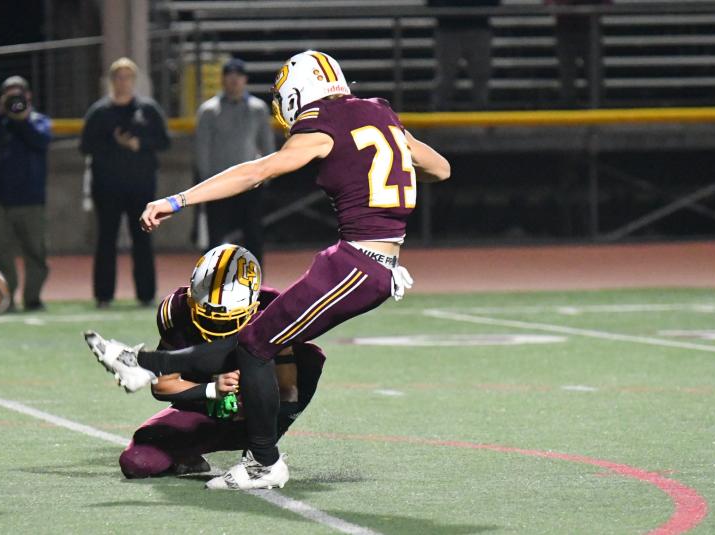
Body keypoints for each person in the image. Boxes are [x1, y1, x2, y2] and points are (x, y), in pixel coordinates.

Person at [87, 50, 451, 490]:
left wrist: (177, 200)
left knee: (257, 345)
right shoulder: (378, 113)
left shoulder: (326, 122)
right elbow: (439, 168)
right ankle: (140, 363)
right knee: (254, 339)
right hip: (361, 257)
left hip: (360, 261)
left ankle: (264, 462)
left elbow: (258, 171)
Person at [90, 244, 325, 480]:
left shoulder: (271, 308)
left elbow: (288, 391)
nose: (216, 327)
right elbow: (162, 385)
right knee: (136, 461)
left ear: (253, 307)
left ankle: (260, 453)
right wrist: (212, 389)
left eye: (227, 320)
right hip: (203, 408)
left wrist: (252, 390)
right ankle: (190, 452)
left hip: (254, 415)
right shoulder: (177, 310)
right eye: (208, 318)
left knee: (308, 358)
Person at [80, 58, 171, 309]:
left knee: (142, 239)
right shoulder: (100, 112)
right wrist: (114, 144)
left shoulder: (148, 110)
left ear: (134, 80)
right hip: (107, 187)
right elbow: (85, 145)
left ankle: (146, 294)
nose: (123, 82)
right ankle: (103, 295)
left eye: (128, 77)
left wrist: (138, 144)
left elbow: (164, 141)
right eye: (118, 77)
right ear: (111, 81)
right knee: (106, 240)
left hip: (141, 187)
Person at [0, 75, 52, 312]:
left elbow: (40, 141)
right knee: (1, 252)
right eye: (9, 95)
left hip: (32, 200)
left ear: (28, 95)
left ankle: (33, 298)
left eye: (18, 94)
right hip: (1, 200)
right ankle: (6, 298)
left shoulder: (38, 121)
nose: (15, 100)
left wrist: (22, 120)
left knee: (36, 252)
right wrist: (2, 115)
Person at [195, 58, 275, 262]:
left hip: (249, 185)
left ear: (245, 79)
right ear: (222, 80)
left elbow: (267, 146)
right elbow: (202, 149)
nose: (234, 81)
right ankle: (209, 285)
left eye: (238, 77)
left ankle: (256, 285)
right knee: (215, 240)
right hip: (219, 185)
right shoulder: (209, 110)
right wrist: (206, 182)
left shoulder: (258, 109)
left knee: (253, 238)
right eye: (229, 76)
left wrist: (266, 177)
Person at [429, 0, 501, 110]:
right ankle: (439, 113)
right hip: (453, 26)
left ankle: (482, 113)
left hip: (470, 25)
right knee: (446, 76)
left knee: (480, 75)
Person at [547, 0, 611, 107]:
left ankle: (597, 107)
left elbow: (607, 4)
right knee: (567, 72)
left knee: (593, 71)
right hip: (567, 26)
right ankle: (568, 107)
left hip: (589, 25)